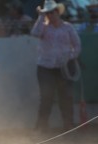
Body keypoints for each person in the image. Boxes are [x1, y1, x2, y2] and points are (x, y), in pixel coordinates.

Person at [31, 0, 81, 133]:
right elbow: (35, 33)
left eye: (52, 12)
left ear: (57, 12)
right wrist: (41, 16)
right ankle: (41, 127)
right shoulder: (43, 27)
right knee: (46, 96)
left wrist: (69, 57)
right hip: (45, 67)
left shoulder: (68, 27)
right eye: (47, 13)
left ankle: (68, 125)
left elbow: (77, 46)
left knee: (66, 96)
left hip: (63, 67)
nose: (50, 15)